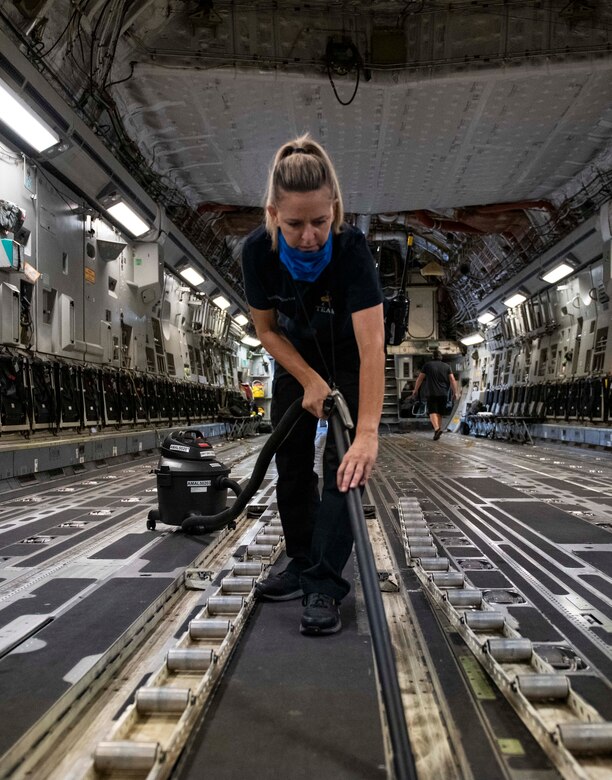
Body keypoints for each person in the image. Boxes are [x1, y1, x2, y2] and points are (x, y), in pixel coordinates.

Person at [241, 134, 385, 636]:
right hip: (296, 359)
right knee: (292, 463)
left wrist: (366, 431)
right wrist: (306, 379)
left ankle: (324, 583)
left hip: (346, 358)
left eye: (319, 222)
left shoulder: (351, 252)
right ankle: (301, 562)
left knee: (343, 466)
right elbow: (265, 330)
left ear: (335, 210)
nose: (308, 236)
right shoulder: (257, 253)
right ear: (273, 213)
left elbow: (371, 348)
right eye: (295, 223)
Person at [411, 349, 459, 440]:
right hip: (443, 393)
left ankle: (437, 429)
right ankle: (438, 430)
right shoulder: (447, 366)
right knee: (440, 413)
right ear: (441, 357)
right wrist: (455, 392)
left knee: (433, 412)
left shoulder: (427, 365)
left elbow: (420, 379)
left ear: (432, 357)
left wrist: (415, 390)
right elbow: (452, 380)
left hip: (431, 393)